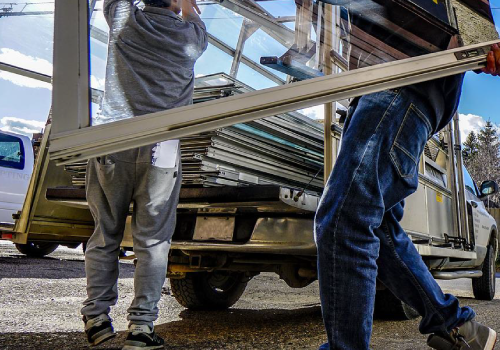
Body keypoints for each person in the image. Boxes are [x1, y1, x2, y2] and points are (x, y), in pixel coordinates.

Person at [315, 42, 500, 350]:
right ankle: (456, 327)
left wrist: (479, 42)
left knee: (344, 220)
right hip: (383, 84)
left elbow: (468, 18)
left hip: (400, 80)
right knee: (377, 225)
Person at [81, 0, 207, 349]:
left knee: (105, 234)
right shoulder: (192, 37)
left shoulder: (125, 21)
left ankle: (96, 319)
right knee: (152, 242)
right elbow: (194, 16)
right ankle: (141, 329)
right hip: (162, 149)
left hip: (114, 140)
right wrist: (187, 5)